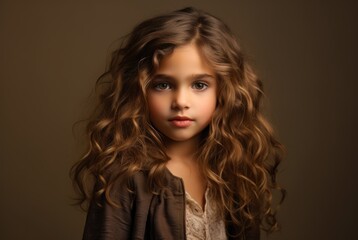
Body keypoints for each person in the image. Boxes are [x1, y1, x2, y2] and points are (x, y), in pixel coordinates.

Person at [71, 7, 285, 240]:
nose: (181, 102)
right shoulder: (124, 177)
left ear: (224, 91)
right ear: (137, 91)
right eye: (162, 85)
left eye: (199, 85)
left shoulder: (233, 166)